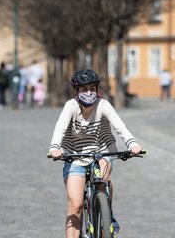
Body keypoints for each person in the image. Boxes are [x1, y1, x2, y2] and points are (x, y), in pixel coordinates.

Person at [48, 69, 142, 238]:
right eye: (84, 89)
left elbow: (120, 126)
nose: (89, 93)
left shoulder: (103, 105)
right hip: (75, 156)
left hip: (102, 150)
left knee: (103, 182)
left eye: (92, 88)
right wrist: (55, 147)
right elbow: (60, 127)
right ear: (77, 91)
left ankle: (107, 213)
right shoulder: (71, 106)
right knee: (75, 205)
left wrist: (132, 143)